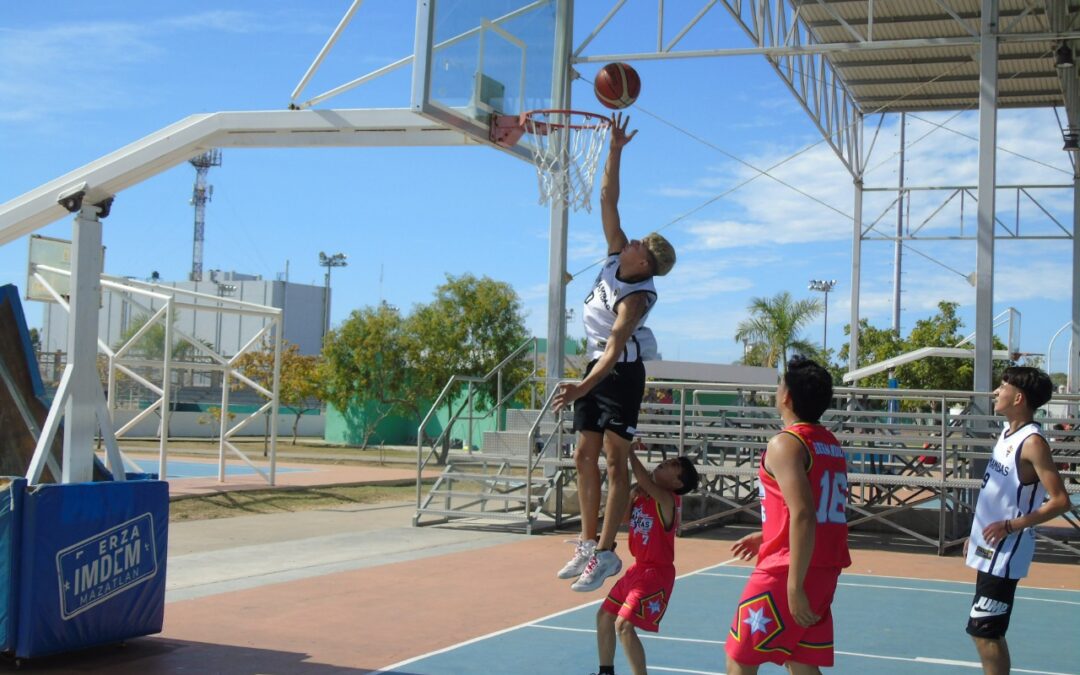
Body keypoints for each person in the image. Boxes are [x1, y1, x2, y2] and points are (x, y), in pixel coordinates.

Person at [552, 113, 677, 593]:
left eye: (641, 244)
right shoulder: (614, 253)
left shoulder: (637, 298)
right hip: (596, 365)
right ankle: (587, 542)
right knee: (584, 455)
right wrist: (616, 148)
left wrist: (582, 385)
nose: (634, 240)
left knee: (614, 460)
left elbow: (615, 351)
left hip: (620, 373)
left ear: (643, 261)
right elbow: (608, 198)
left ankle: (606, 554)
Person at [724, 356, 850, 674]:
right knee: (802, 663)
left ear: (787, 396)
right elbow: (813, 509)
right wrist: (768, 534)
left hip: (789, 568)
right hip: (824, 568)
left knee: (740, 658)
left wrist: (794, 585)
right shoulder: (829, 443)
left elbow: (805, 513)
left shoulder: (786, 444)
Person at [964, 366, 1070, 675]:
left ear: (1019, 397)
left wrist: (1012, 526)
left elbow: (1060, 500)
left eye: (1002, 386)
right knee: (983, 630)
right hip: (991, 547)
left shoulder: (1033, 442)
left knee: (986, 632)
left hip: (1006, 551)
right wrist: (977, 537)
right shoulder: (1008, 433)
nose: (997, 392)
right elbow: (998, 496)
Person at [593, 449, 699, 675]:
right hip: (637, 569)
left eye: (674, 465)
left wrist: (625, 448)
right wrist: (631, 493)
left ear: (677, 483)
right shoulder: (643, 495)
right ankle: (605, 672)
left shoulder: (668, 500)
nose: (667, 461)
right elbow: (622, 519)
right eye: (670, 460)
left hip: (656, 574)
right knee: (604, 616)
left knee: (623, 625)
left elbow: (642, 477)